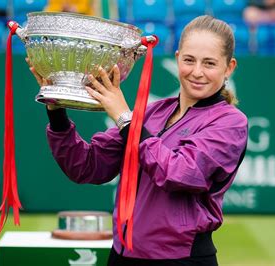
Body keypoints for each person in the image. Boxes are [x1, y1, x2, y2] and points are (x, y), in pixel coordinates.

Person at [26, 15, 248, 265]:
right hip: (122, 254)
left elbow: (179, 173)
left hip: (180, 258)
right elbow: (86, 167)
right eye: (189, 60)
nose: (197, 72)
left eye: (209, 63)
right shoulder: (152, 112)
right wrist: (56, 110)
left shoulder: (230, 122)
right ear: (177, 59)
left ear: (229, 67)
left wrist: (125, 120)